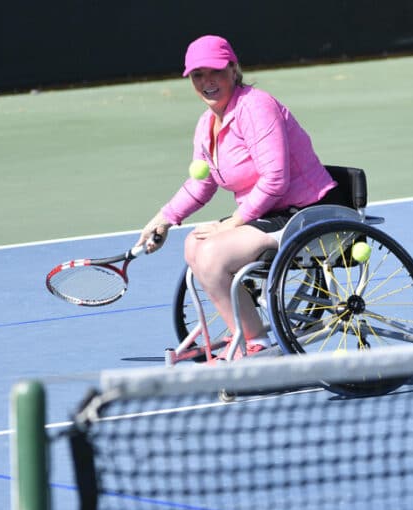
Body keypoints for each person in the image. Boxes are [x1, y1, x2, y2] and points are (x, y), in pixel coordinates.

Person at [137, 35, 336, 357]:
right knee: (194, 244)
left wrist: (232, 223)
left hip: (304, 211)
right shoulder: (207, 124)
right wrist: (163, 220)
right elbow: (202, 183)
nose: (207, 82)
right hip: (267, 214)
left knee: (214, 254)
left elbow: (276, 180)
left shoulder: (256, 106)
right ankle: (242, 331)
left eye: (214, 71)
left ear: (233, 69)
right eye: (197, 75)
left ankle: (256, 341)